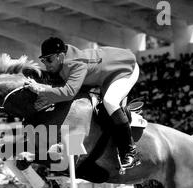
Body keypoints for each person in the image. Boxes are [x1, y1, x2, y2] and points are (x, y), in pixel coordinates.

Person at [26, 37, 141, 170]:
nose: (46, 64)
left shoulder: (75, 64)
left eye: (49, 60)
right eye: (43, 60)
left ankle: (130, 152)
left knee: (110, 101)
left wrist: (39, 89)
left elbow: (68, 92)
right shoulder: (62, 61)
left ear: (61, 56)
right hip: (106, 73)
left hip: (125, 68)